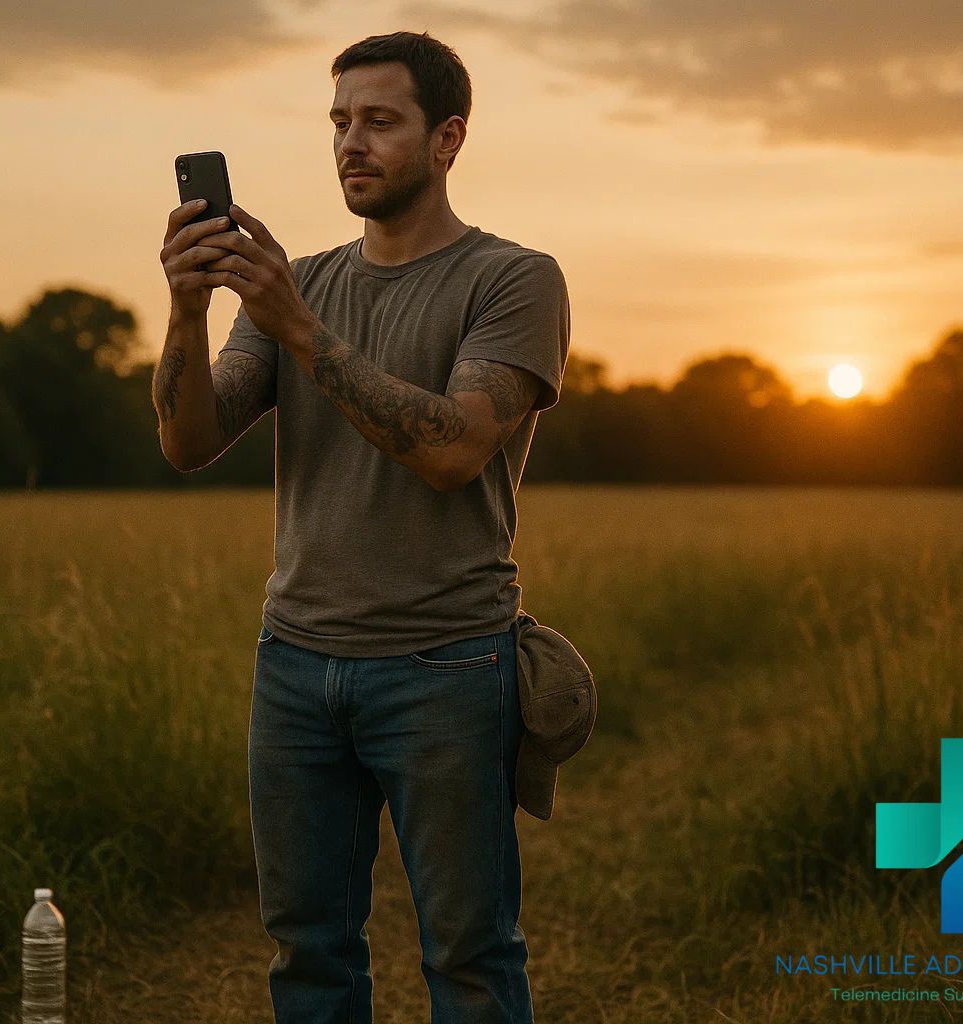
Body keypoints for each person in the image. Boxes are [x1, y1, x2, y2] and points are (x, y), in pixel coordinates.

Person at [153, 29, 569, 1024]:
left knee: (469, 956)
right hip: (294, 664)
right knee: (308, 956)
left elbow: (452, 447)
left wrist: (297, 325)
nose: (352, 141)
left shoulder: (514, 280)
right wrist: (186, 307)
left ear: (448, 137)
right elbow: (188, 442)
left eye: (380, 121)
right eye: (340, 121)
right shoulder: (299, 281)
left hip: (448, 668)